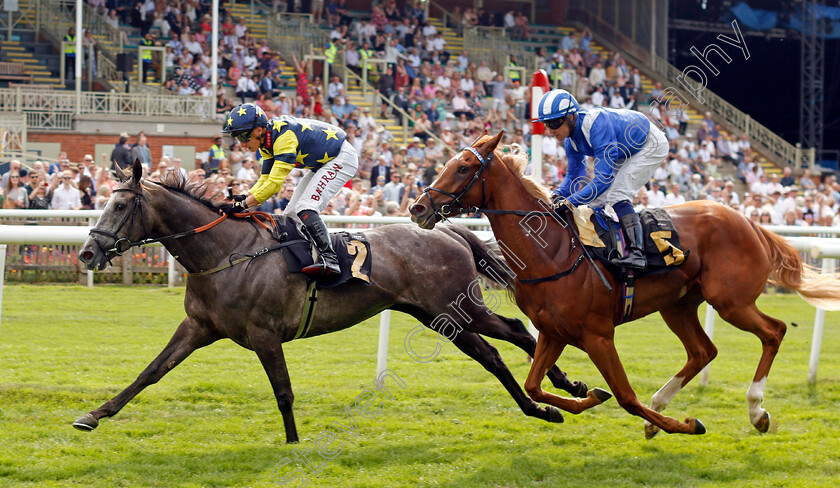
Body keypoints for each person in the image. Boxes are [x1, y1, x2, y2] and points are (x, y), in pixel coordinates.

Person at [220, 102, 359, 276]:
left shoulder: (283, 138)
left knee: (306, 207)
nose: (241, 145)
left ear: (258, 131)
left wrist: (242, 206)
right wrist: (245, 196)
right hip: (324, 161)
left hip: (341, 158)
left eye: (242, 138)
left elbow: (274, 186)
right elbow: (265, 179)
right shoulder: (267, 140)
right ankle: (303, 259)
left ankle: (330, 260)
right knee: (290, 215)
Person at [536, 89, 669, 270]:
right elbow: (574, 176)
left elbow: (603, 180)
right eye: (546, 124)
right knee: (597, 201)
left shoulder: (597, 126)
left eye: (554, 123)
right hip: (624, 148)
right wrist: (556, 195)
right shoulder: (570, 141)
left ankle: (637, 253)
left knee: (617, 194)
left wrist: (569, 201)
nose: (550, 130)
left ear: (572, 117)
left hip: (649, 143)